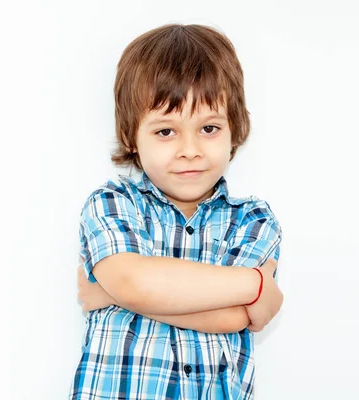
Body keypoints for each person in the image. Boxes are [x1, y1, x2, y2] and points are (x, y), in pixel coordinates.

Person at [69, 23, 284, 399]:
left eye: (209, 128)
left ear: (235, 129)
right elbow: (133, 282)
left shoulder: (253, 219)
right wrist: (256, 285)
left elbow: (235, 318)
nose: (190, 149)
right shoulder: (113, 202)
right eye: (166, 132)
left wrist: (111, 295)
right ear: (130, 138)